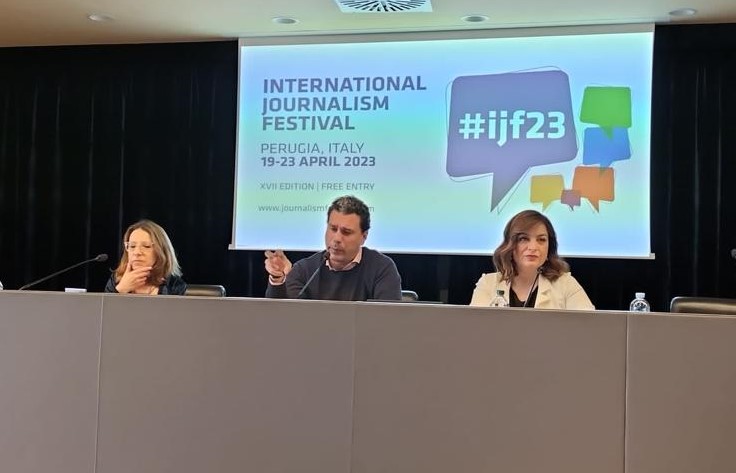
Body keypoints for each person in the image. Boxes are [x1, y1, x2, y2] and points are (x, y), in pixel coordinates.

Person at [264, 195, 401, 301]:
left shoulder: (381, 268)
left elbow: (387, 319)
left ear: (364, 236)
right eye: (333, 229)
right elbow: (283, 316)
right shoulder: (305, 270)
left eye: (346, 232)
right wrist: (277, 278)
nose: (336, 238)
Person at [470, 209, 594, 310]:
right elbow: (475, 328)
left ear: (550, 247)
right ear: (510, 245)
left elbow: (590, 327)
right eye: (524, 239)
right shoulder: (488, 284)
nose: (533, 247)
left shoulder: (566, 284)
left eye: (541, 240)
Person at [105, 219, 187, 295]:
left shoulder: (175, 285)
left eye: (146, 246)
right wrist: (121, 289)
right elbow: (104, 305)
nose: (137, 252)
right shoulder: (116, 279)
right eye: (132, 246)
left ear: (161, 252)